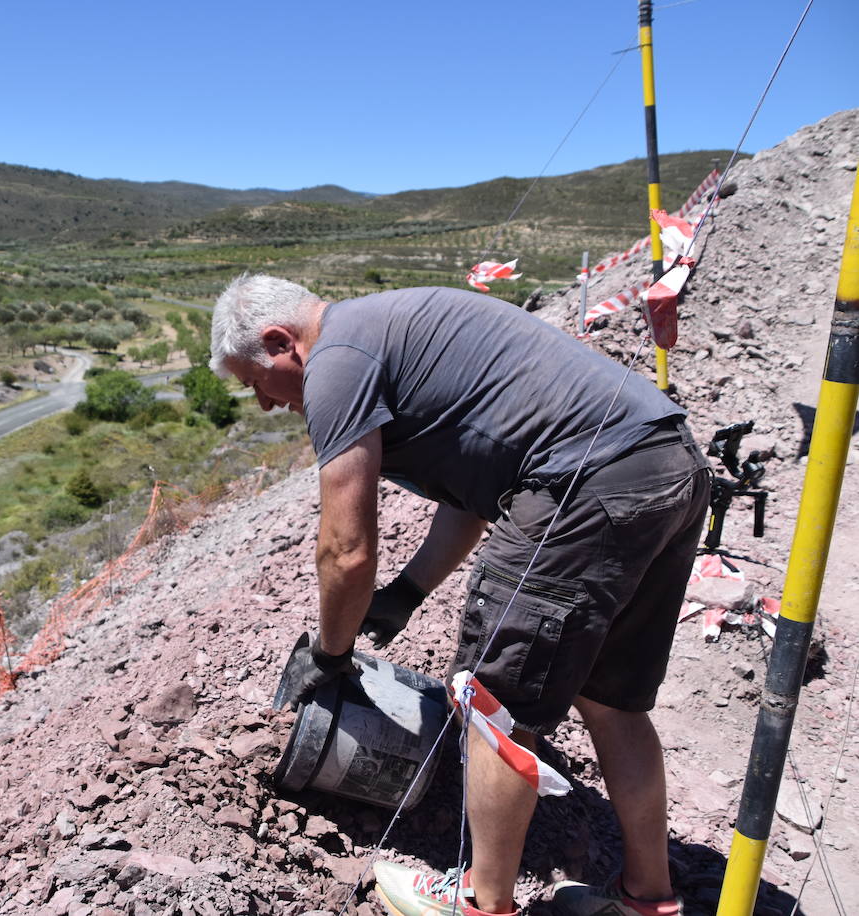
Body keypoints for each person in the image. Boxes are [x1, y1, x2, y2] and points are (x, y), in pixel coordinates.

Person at [209, 275, 710, 916]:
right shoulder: (390, 326)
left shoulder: (336, 360)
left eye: (255, 382)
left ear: (281, 343)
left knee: (491, 705)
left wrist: (331, 653)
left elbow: (347, 548)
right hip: (666, 464)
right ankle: (647, 898)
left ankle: (479, 902)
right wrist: (410, 591)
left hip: (583, 484)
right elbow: (469, 502)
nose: (264, 404)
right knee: (611, 703)